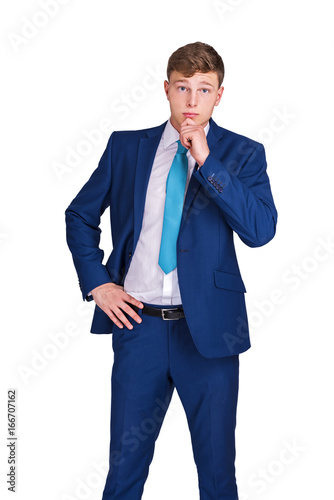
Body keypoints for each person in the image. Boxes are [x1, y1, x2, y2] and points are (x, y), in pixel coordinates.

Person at [65, 41, 277, 500]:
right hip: (137, 326)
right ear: (167, 89)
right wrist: (97, 282)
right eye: (183, 87)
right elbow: (80, 215)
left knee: (218, 475)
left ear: (220, 95)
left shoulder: (243, 154)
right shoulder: (126, 148)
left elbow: (260, 230)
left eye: (204, 89)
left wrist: (206, 160)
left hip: (210, 336)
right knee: (123, 473)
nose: (192, 100)